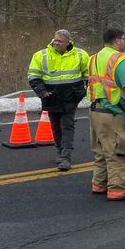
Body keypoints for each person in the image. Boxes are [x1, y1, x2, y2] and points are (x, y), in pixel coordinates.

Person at [87, 27, 125, 201]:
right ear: (118, 40)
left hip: (96, 111)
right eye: (123, 39)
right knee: (118, 151)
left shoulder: (94, 58)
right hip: (113, 112)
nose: (124, 42)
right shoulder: (119, 59)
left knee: (101, 150)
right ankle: (118, 189)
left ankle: (99, 183)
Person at [27, 29, 89, 171]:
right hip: (51, 96)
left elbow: (88, 75)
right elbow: (33, 76)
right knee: (55, 126)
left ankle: (66, 157)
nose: (56, 43)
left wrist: (82, 92)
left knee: (67, 125)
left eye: (60, 41)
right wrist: (42, 92)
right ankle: (60, 151)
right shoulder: (41, 55)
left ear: (68, 42)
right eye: (55, 40)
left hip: (71, 97)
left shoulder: (80, 54)